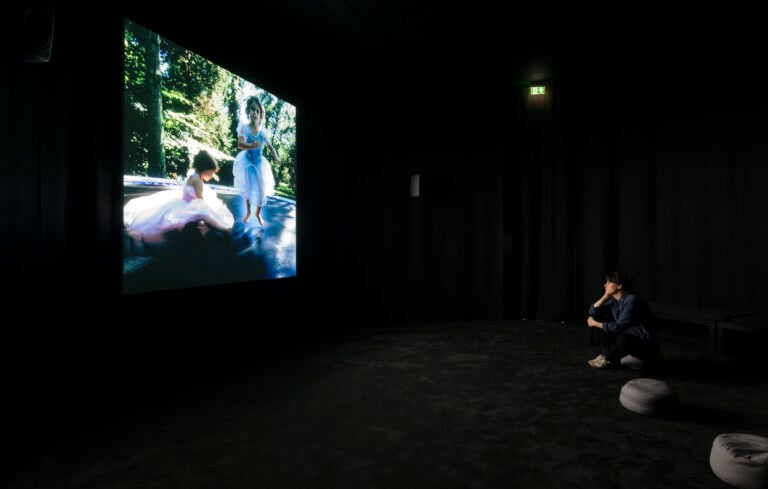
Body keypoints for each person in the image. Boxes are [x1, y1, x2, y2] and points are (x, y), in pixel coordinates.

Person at [124, 150, 235, 248]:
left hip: (183, 202)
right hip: (189, 205)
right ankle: (225, 230)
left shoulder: (193, 176)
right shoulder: (197, 181)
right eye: (211, 172)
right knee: (208, 215)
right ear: (205, 169)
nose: (212, 175)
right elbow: (201, 201)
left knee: (162, 224)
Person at [585, 271, 660, 368]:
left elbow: (619, 327)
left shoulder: (631, 300)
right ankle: (606, 357)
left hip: (644, 344)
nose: (605, 285)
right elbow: (592, 312)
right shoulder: (614, 300)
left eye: (608, 282)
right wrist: (604, 297)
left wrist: (594, 323)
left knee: (622, 336)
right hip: (627, 340)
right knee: (597, 318)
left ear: (619, 286)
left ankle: (609, 360)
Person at [232, 96, 280, 226]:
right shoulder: (244, 128)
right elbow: (240, 144)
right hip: (247, 161)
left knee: (261, 190)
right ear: (248, 111)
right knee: (247, 188)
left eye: (257, 111)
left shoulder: (262, 133)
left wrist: (275, 157)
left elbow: (271, 147)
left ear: (260, 115)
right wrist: (250, 146)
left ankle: (258, 213)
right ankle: (248, 212)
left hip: (259, 163)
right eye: (252, 110)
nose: (255, 113)